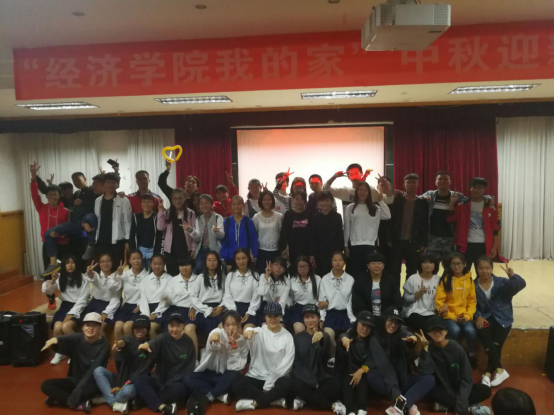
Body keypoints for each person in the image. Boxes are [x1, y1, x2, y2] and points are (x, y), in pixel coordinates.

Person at [41, 312, 110, 413]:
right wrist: (54, 340)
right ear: (83, 327)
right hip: (74, 380)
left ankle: (60, 399)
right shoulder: (78, 338)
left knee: (84, 392)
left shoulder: (104, 345)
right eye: (87, 325)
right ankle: (79, 404)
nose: (90, 328)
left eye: (94, 326)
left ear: (99, 328)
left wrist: (78, 390)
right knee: (45, 385)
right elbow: (63, 339)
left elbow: (93, 370)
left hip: (91, 382)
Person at [232, 302, 295, 412]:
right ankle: (273, 400)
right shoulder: (259, 332)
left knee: (288, 384)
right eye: (269, 316)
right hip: (257, 376)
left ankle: (257, 402)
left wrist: (270, 382)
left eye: (276, 316)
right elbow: (249, 333)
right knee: (237, 385)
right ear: (265, 317)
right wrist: (247, 332)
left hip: (276, 379)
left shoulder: (287, 336)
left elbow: (287, 363)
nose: (272, 319)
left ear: (280, 316)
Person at [372, 308, 435, 416]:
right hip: (387, 383)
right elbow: (385, 367)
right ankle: (408, 403)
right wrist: (395, 393)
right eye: (390, 320)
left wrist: (419, 344)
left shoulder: (401, 332)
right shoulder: (375, 338)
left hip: (403, 380)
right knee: (371, 375)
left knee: (430, 379)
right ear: (384, 320)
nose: (393, 325)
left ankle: (399, 407)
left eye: (396, 322)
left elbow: (406, 333)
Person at [184, 311, 249, 415]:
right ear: (223, 325)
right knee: (188, 378)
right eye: (227, 325)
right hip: (210, 373)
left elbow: (235, 367)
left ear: (239, 324)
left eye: (234, 324)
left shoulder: (243, 343)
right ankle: (219, 396)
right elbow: (214, 342)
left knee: (235, 376)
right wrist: (214, 339)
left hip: (226, 376)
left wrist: (234, 348)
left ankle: (208, 397)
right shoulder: (218, 333)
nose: (231, 328)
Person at [475, 258, 526, 388]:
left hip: (503, 318)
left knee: (495, 345)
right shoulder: (473, 285)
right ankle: (499, 370)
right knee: (485, 336)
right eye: (481, 268)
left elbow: (521, 284)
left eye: (487, 268)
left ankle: (487, 374)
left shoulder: (502, 283)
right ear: (476, 269)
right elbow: (470, 303)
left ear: (492, 268)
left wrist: (513, 276)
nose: (484, 271)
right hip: (485, 318)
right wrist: (477, 316)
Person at [133, 313, 196, 415]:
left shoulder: (188, 342)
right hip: (159, 379)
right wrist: (146, 345)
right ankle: (162, 406)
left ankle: (144, 401)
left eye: (178, 326)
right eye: (171, 326)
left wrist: (171, 382)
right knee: (139, 380)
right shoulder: (163, 337)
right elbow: (153, 343)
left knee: (180, 389)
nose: (174, 329)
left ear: (183, 326)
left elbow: (188, 369)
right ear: (167, 326)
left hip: (175, 382)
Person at [426, 316, 491, 415]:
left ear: (446, 332)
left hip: (459, 387)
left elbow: (466, 379)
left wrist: (461, 405)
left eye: (440, 330)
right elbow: (424, 371)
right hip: (443, 389)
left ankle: (447, 405)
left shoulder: (457, 348)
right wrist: (424, 350)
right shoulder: (428, 348)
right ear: (428, 333)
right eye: (433, 330)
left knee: (485, 390)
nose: (437, 333)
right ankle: (469, 408)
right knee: (429, 389)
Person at [289, 304, 346, 415]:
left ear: (319, 318)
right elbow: (296, 363)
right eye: (307, 317)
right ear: (303, 319)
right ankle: (331, 405)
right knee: (295, 385)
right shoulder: (296, 338)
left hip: (321, 379)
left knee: (337, 385)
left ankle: (306, 399)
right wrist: (311, 381)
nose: (310, 320)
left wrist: (321, 336)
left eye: (313, 317)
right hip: (304, 379)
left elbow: (324, 348)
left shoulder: (324, 336)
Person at [93, 316, 154, 414]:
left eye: (142, 328)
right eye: (136, 328)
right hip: (120, 379)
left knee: (127, 391)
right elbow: (123, 342)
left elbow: (141, 373)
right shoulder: (129, 340)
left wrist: (122, 387)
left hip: (133, 383)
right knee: (98, 370)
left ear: (147, 329)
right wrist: (118, 344)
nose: (139, 330)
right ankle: (114, 402)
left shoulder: (150, 346)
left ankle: (107, 398)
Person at [30, 162, 71, 309]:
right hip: (47, 246)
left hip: (63, 246)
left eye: (55, 194)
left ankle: (68, 298)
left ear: (60, 196)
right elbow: (34, 195)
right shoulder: (42, 207)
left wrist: (59, 234)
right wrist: (33, 177)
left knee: (66, 272)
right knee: (49, 274)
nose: (53, 196)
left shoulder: (66, 211)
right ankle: (51, 297)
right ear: (46, 196)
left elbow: (69, 229)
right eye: (50, 194)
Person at [43, 171, 99, 275]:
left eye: (78, 180)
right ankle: (53, 263)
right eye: (74, 181)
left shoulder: (92, 191)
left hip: (86, 229)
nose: (76, 182)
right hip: (73, 229)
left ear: (85, 179)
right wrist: (51, 186)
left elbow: (104, 192)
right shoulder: (76, 194)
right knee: (48, 234)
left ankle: (90, 247)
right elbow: (60, 200)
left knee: (85, 260)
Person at [42, 256, 89, 365]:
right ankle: (61, 351)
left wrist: (71, 313)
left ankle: (75, 352)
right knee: (57, 328)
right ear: (64, 265)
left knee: (66, 327)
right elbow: (47, 292)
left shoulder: (83, 278)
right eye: (67, 263)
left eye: (72, 263)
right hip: (65, 306)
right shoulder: (60, 277)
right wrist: (53, 280)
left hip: (79, 307)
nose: (70, 265)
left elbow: (83, 300)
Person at [447, 178, 501, 272]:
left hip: (484, 246)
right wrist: (451, 203)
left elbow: (495, 229)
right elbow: (450, 219)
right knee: (462, 273)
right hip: (465, 246)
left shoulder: (490, 207)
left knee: (483, 273)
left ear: (484, 189)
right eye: (474, 187)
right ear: (470, 188)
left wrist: (494, 247)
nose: (476, 190)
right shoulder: (462, 205)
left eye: (479, 187)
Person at [436, 253, 478, 364]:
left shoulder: (469, 279)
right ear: (449, 265)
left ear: (464, 264)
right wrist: (451, 316)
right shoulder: (445, 279)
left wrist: (468, 315)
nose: (456, 266)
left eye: (459, 263)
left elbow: (472, 300)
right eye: (453, 264)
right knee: (455, 330)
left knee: (470, 331)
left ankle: (472, 355)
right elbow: (439, 301)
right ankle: (450, 354)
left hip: (464, 316)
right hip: (449, 316)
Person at [338, 311, 381, 416]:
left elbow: (373, 360)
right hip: (347, 371)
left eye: (368, 327)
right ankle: (350, 411)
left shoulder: (372, 340)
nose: (365, 329)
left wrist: (361, 370)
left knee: (362, 378)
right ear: (357, 323)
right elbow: (343, 335)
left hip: (363, 371)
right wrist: (344, 339)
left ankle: (362, 409)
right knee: (348, 378)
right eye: (363, 325)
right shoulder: (350, 333)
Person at [344, 182, 390, 279]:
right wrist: (345, 244)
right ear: (356, 192)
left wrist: (381, 201)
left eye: (365, 190)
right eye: (360, 190)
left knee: (369, 273)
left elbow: (387, 215)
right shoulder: (350, 207)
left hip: (370, 245)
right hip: (354, 245)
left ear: (369, 193)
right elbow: (347, 226)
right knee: (355, 272)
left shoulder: (375, 208)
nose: (362, 192)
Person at [389, 174, 429, 286]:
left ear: (418, 184)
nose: (411, 184)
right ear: (404, 184)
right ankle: (395, 295)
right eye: (408, 182)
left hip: (414, 241)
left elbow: (425, 223)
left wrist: (424, 242)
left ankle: (409, 294)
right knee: (394, 271)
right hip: (397, 240)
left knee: (411, 271)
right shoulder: (397, 200)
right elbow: (391, 220)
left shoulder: (422, 203)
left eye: (413, 182)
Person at [318, 252, 356, 368]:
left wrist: (352, 318)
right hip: (331, 314)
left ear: (344, 262)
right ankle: (333, 356)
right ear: (331, 262)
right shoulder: (325, 279)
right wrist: (322, 317)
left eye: (340, 260)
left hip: (346, 314)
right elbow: (321, 301)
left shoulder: (350, 279)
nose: (338, 262)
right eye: (335, 260)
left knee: (349, 335)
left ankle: (345, 360)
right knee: (328, 335)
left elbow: (351, 301)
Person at [71, 253, 122, 335]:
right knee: (86, 328)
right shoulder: (96, 275)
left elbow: (116, 299)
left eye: (108, 261)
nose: (105, 264)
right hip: (95, 304)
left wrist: (106, 312)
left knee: (99, 328)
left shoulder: (116, 277)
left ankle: (103, 343)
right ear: (99, 264)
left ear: (112, 262)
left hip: (111, 306)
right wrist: (89, 273)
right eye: (102, 262)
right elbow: (92, 277)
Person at [423, 171, 467, 261]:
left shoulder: (457, 196)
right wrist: (423, 198)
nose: (442, 181)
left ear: (450, 182)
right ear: (435, 182)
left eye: (446, 179)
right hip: (432, 237)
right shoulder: (430, 194)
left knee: (450, 265)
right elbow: (416, 198)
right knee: (431, 264)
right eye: (440, 179)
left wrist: (489, 198)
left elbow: (472, 200)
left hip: (450, 238)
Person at [94, 173, 132, 270]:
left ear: (117, 184)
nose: (110, 185)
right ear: (104, 184)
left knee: (117, 268)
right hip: (101, 240)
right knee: (103, 268)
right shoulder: (98, 200)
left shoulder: (124, 200)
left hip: (117, 241)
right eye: (108, 182)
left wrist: (127, 240)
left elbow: (127, 222)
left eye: (113, 182)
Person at [352, 252, 402, 324]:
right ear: (368, 266)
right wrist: (366, 317)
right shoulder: (360, 281)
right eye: (373, 263)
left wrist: (388, 317)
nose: (376, 266)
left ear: (383, 265)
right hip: (366, 319)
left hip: (387, 318)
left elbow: (396, 302)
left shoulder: (390, 280)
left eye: (379, 263)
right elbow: (357, 303)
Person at [112, 250, 150, 341]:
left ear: (142, 259)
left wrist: (141, 305)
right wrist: (118, 274)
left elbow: (150, 294)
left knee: (127, 327)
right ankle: (120, 348)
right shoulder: (124, 274)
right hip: (126, 306)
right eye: (133, 259)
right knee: (117, 327)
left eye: (139, 258)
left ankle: (132, 348)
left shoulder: (148, 275)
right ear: (129, 261)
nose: (136, 261)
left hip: (139, 307)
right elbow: (114, 287)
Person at [157, 190, 197, 276]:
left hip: (185, 249)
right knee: (172, 274)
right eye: (175, 198)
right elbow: (160, 227)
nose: (177, 201)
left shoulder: (190, 213)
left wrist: (193, 248)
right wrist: (160, 210)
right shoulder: (168, 212)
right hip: (170, 250)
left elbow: (194, 232)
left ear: (184, 199)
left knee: (185, 274)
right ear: (171, 199)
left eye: (180, 198)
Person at [184, 194, 225, 275]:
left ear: (211, 204)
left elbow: (222, 236)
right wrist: (190, 230)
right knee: (198, 268)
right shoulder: (198, 219)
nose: (204, 206)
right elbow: (198, 238)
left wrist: (217, 232)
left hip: (214, 249)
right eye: (202, 204)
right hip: (202, 249)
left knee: (215, 271)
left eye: (206, 203)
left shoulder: (218, 217)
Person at [308, 190, 344, 277]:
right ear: (319, 202)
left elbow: (339, 235)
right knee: (319, 275)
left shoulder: (337, 217)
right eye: (322, 201)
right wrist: (312, 254)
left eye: (327, 200)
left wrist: (338, 252)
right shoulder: (315, 217)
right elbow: (312, 237)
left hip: (333, 252)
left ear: (331, 201)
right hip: (319, 253)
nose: (324, 203)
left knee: (333, 275)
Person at [223, 248, 261, 330]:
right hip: (232, 308)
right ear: (235, 260)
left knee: (247, 332)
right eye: (238, 259)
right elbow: (227, 296)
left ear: (248, 259)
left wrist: (249, 312)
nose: (241, 261)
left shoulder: (255, 275)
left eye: (243, 258)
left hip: (250, 309)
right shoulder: (230, 275)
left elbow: (256, 296)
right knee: (233, 332)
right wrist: (234, 312)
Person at [402, 253, 441, 333]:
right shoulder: (413, 278)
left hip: (432, 313)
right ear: (420, 264)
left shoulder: (438, 280)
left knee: (438, 326)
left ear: (435, 265)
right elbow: (406, 299)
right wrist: (418, 294)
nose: (428, 265)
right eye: (425, 262)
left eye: (431, 262)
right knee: (426, 327)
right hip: (414, 312)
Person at [191, 251, 226, 336]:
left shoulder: (223, 277)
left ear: (218, 261)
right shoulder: (200, 277)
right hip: (203, 308)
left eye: (214, 260)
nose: (212, 263)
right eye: (209, 260)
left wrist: (222, 306)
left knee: (223, 328)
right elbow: (193, 297)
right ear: (205, 262)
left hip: (218, 308)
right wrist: (205, 309)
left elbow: (227, 294)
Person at [138, 255, 174, 339]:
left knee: (152, 328)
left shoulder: (170, 279)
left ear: (164, 264)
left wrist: (156, 313)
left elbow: (168, 298)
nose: (157, 266)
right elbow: (143, 299)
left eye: (160, 264)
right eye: (154, 264)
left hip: (164, 309)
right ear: (151, 264)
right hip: (148, 309)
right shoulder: (145, 280)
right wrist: (146, 315)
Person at [220, 196, 259, 269]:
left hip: (245, 257)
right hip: (230, 257)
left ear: (243, 205)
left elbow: (254, 239)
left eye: (239, 204)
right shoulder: (227, 222)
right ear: (231, 206)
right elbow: (224, 241)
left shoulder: (248, 221)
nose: (236, 207)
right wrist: (223, 256)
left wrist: (254, 255)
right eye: (234, 204)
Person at [288, 256, 322, 334]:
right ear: (296, 268)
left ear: (309, 267)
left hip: (314, 308)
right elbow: (291, 297)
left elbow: (321, 296)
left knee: (314, 332)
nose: (302, 269)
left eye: (305, 266)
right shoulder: (292, 281)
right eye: (300, 267)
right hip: (299, 309)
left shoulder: (317, 279)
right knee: (298, 329)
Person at [252, 190, 283, 275]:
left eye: (269, 199)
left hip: (276, 251)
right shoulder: (256, 217)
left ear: (272, 200)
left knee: (276, 275)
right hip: (261, 251)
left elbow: (282, 233)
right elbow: (253, 236)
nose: (267, 202)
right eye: (264, 200)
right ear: (261, 201)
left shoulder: (279, 216)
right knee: (262, 275)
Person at [129, 194, 161, 271]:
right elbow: (132, 235)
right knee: (141, 273)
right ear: (141, 203)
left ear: (153, 203)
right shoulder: (136, 217)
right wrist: (133, 251)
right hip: (140, 251)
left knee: (152, 273)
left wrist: (158, 253)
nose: (146, 204)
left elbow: (159, 236)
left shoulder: (157, 217)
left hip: (153, 251)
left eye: (149, 202)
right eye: (144, 202)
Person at [279, 190, 311, 266]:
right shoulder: (288, 214)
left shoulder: (309, 214)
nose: (299, 202)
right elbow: (284, 232)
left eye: (302, 199)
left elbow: (312, 233)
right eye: (297, 199)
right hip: (292, 248)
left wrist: (311, 251)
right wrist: (283, 248)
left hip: (306, 249)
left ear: (305, 201)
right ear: (293, 200)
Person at [258, 256, 291, 322]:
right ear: (271, 265)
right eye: (276, 265)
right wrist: (267, 276)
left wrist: (279, 316)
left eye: (281, 267)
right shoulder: (263, 276)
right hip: (266, 306)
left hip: (280, 307)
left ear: (284, 270)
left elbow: (283, 300)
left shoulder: (287, 281)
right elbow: (262, 292)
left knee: (280, 325)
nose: (278, 268)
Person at [375, 175, 396, 275]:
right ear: (377, 187)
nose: (384, 187)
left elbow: (389, 198)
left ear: (391, 187)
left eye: (387, 185)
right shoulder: (373, 200)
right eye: (381, 185)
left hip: (392, 237)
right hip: (377, 237)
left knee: (391, 266)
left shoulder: (396, 199)